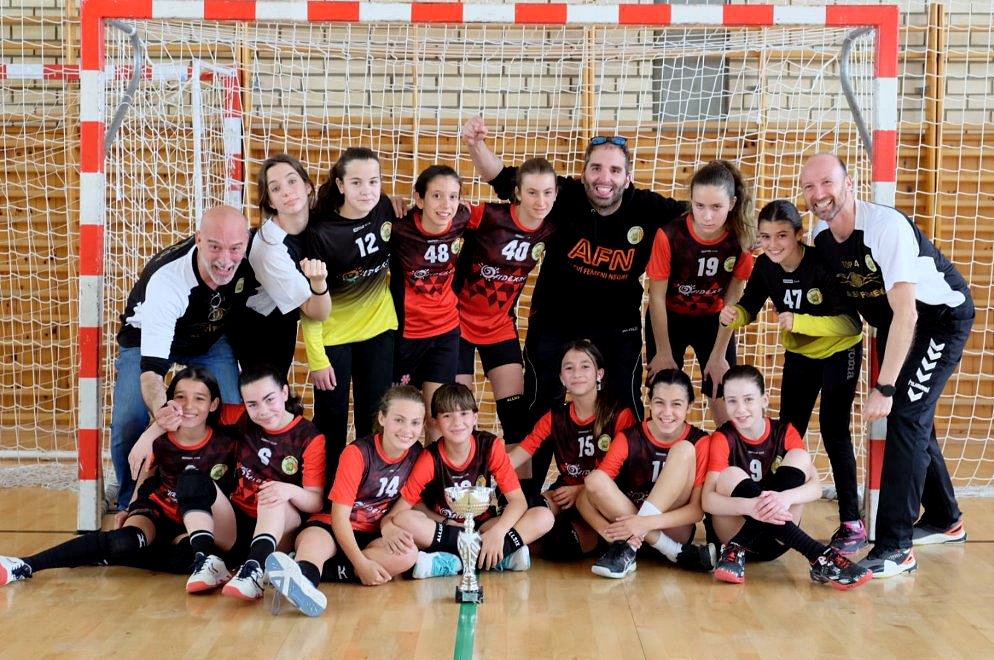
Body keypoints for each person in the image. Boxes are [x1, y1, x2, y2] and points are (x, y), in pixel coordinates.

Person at [802, 153, 974, 577]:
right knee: (914, 420)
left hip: (938, 321)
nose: (819, 194)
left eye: (827, 182)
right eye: (809, 186)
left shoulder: (885, 229)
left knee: (905, 417)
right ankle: (945, 518)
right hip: (897, 326)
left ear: (850, 183)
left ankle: (896, 546)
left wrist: (885, 387)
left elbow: (908, 315)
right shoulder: (822, 233)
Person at [461, 117, 686, 428]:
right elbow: (502, 178)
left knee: (625, 401)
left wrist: (748, 229)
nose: (604, 178)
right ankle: (530, 478)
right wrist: (476, 145)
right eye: (596, 168)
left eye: (614, 170)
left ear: (628, 178)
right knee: (541, 401)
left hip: (616, 321)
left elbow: (706, 213)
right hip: (556, 316)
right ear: (584, 174)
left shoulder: (648, 207)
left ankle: (623, 474)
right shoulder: (561, 194)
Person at [0, 368, 237, 587]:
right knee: (125, 541)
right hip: (158, 510)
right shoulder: (158, 439)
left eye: (199, 398)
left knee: (185, 558)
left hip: (196, 521)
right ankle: (25, 564)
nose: (188, 405)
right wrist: (131, 507)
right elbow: (145, 474)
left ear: (214, 404)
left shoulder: (227, 442)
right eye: (181, 396)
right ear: (170, 400)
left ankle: (107, 554)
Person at [719, 199, 865, 553]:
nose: (773, 244)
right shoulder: (765, 267)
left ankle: (852, 522)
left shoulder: (820, 264)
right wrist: (733, 314)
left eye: (782, 235)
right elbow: (750, 305)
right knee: (787, 432)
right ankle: (773, 508)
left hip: (838, 351)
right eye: (766, 236)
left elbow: (850, 323)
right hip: (800, 355)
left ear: (798, 235)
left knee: (834, 430)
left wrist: (799, 321)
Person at [111, 205, 254, 508]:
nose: (225, 259)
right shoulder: (169, 281)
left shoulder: (253, 258)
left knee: (230, 411)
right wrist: (161, 413)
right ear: (198, 240)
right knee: (129, 418)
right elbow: (151, 371)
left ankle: (225, 497)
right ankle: (128, 501)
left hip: (208, 340)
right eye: (214, 246)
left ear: (246, 242)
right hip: (145, 336)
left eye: (235, 248)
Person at [702, 365, 872, 589]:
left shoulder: (784, 432)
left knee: (800, 457)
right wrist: (750, 506)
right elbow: (707, 501)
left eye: (748, 399)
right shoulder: (723, 438)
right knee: (730, 475)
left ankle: (738, 545)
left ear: (764, 400)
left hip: (777, 541)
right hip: (730, 532)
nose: (740, 408)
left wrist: (785, 498)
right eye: (732, 401)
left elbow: (816, 488)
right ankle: (818, 555)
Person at [265, 385, 426, 617]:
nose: (407, 430)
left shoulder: (416, 454)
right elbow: (339, 517)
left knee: (408, 555)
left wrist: (388, 528)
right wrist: (360, 565)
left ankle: (303, 569)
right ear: (382, 417)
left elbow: (408, 505)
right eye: (399, 420)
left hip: (372, 535)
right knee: (313, 541)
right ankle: (305, 581)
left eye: (415, 422)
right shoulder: (357, 453)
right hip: (334, 527)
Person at [383, 383, 554, 579]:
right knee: (405, 520)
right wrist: (446, 521)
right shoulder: (429, 458)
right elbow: (400, 513)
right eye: (447, 415)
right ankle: (498, 558)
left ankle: (453, 563)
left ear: (475, 417)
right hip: (446, 529)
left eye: (464, 413)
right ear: (435, 422)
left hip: (483, 527)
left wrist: (498, 532)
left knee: (543, 516)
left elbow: (518, 501)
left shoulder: (490, 446)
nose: (457, 422)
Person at [301, 148, 397, 482]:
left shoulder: (384, 208)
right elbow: (309, 302)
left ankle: (367, 492)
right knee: (331, 421)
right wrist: (316, 358)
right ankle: (325, 499)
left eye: (373, 181)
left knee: (375, 419)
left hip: (380, 333)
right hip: (334, 341)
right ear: (340, 185)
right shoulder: (319, 232)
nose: (367, 190)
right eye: (356, 182)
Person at [454, 157, 558, 446]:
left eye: (547, 193)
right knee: (457, 414)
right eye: (532, 192)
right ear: (518, 193)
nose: (540, 201)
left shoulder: (550, 230)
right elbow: (442, 214)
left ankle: (518, 491)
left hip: (499, 327)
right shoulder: (488, 216)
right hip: (457, 324)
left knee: (516, 418)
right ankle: (461, 489)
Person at [645, 160, 755, 426]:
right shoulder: (669, 235)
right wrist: (663, 351)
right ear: (691, 201)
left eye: (716, 207)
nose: (707, 216)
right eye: (699, 206)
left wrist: (718, 356)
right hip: (669, 320)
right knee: (666, 396)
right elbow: (655, 298)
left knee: (722, 393)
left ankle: (728, 463)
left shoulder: (741, 239)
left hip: (714, 321)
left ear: (732, 203)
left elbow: (732, 300)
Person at [508, 339, 637, 561]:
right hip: (565, 495)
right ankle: (495, 548)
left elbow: (626, 472)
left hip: (600, 501)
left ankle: (604, 541)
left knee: (560, 544)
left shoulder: (619, 415)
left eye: (585, 366)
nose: (577, 373)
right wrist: (482, 470)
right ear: (561, 377)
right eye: (569, 367)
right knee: (528, 508)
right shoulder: (555, 417)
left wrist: (580, 490)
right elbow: (522, 452)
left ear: (600, 374)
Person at [579, 369, 714, 578]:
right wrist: (608, 532)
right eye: (659, 402)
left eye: (676, 404)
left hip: (673, 528)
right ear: (649, 401)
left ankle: (629, 545)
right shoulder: (629, 437)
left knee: (684, 449)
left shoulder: (700, 441)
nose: (667, 412)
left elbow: (696, 511)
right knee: (594, 480)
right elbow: (593, 491)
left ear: (689, 406)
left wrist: (643, 523)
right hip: (631, 522)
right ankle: (661, 550)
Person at [216, 364, 326, 600]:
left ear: (285, 393)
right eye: (252, 404)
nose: (263, 411)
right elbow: (193, 412)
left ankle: (254, 570)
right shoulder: (242, 419)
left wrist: (287, 490)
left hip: (282, 529)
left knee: (272, 493)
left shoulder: (309, 437)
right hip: (239, 524)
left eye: (269, 399)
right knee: (196, 481)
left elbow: (315, 502)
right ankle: (209, 561)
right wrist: (149, 435)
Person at [390, 165, 484, 439]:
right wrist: (389, 201)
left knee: (436, 418)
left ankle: (434, 480)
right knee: (400, 417)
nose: (446, 205)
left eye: (453, 196)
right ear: (419, 199)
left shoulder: (461, 219)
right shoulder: (400, 228)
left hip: (445, 332)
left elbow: (499, 217)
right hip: (405, 336)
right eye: (437, 196)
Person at [232, 154, 332, 378]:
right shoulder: (269, 247)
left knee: (278, 395)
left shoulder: (319, 217)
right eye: (276, 189)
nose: (286, 191)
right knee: (264, 396)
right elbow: (317, 311)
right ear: (270, 202)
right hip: (257, 325)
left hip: (286, 315)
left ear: (307, 186)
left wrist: (389, 202)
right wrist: (319, 282)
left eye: (292, 181)